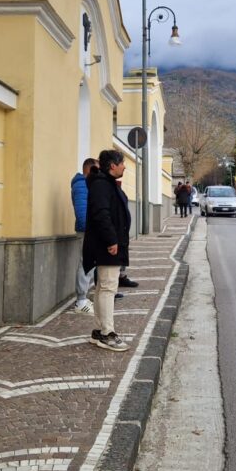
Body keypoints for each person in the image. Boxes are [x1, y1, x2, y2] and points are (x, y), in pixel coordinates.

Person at [83, 149, 132, 351]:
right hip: (107, 245)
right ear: (113, 165)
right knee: (108, 288)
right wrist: (112, 240)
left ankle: (98, 331)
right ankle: (107, 334)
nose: (124, 166)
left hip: (108, 244)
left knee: (103, 287)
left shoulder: (104, 184)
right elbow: (101, 215)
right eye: (122, 163)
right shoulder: (102, 185)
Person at [70, 158, 98, 314]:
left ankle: (84, 297)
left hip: (89, 229)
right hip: (86, 230)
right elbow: (82, 213)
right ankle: (81, 301)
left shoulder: (86, 184)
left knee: (89, 264)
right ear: (89, 170)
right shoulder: (81, 185)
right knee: (85, 264)